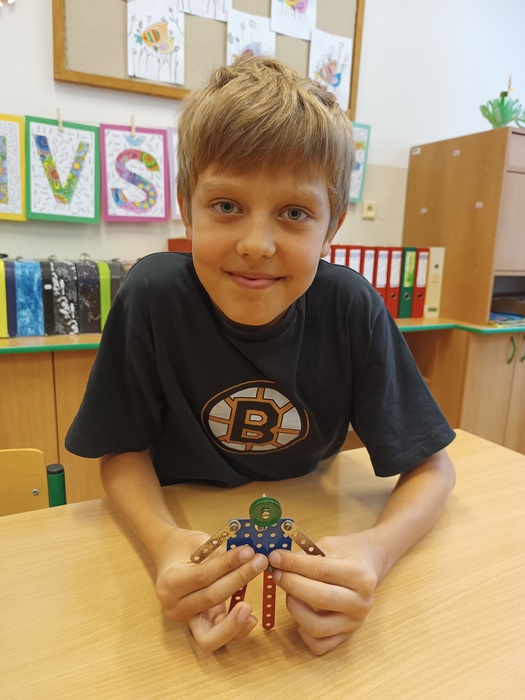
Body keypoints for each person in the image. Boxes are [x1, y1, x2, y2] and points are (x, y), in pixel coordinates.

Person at [66, 56, 456, 656]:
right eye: (226, 206)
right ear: (186, 206)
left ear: (332, 227)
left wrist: (374, 551)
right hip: (185, 519)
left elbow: (433, 469)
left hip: (306, 517)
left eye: (294, 213)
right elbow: (122, 450)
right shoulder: (152, 296)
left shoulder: (351, 307)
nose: (256, 245)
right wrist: (165, 542)